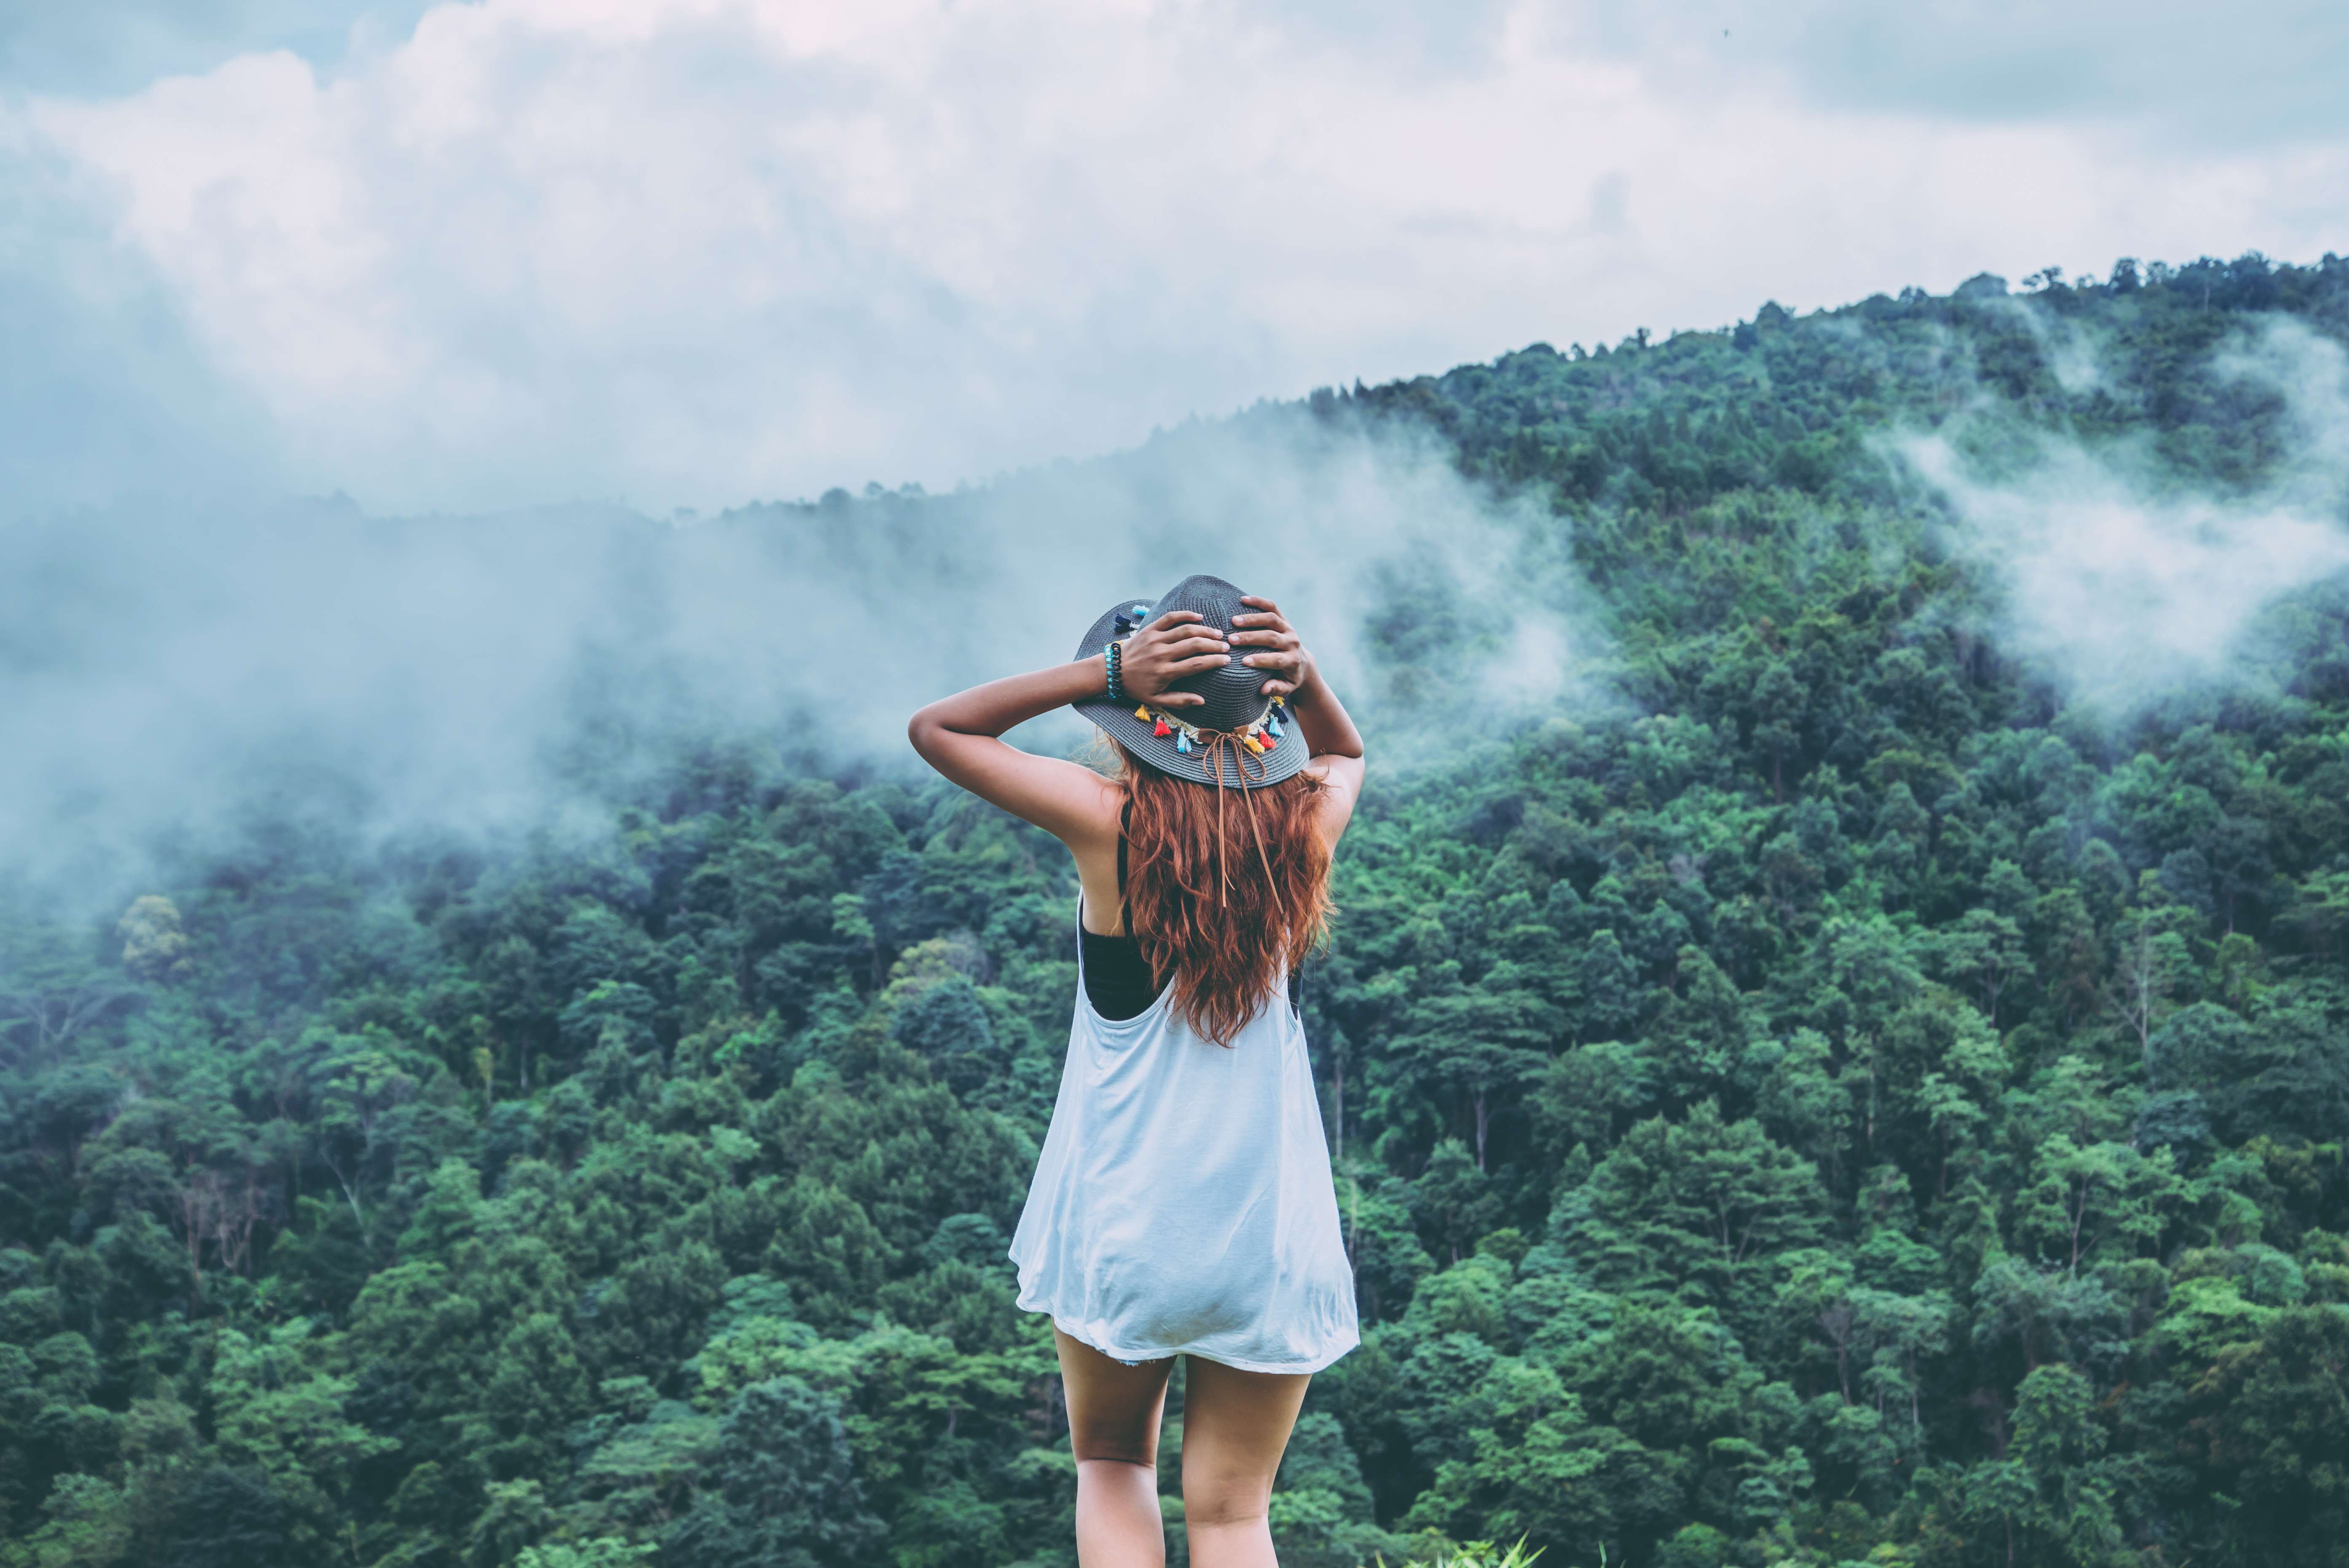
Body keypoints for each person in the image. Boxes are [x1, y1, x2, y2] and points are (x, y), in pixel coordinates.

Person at [908, 573, 1365, 1568]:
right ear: (1263, 723)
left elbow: (940, 730)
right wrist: (1309, 677)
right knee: (1237, 1514)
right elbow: (1343, 752)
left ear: (1135, 723)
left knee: (1113, 1464)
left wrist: (1109, 668)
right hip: (1265, 1236)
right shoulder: (1304, 834)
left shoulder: (1110, 825)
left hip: (1127, 1225)